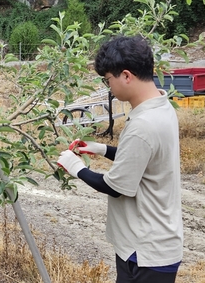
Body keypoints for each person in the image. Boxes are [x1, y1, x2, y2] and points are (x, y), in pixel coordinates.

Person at [57, 35, 183, 283]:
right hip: (151, 242)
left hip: (146, 250)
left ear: (126, 75)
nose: (108, 87)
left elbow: (116, 187)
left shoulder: (143, 125)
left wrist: (76, 168)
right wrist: (102, 149)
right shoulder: (160, 105)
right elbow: (141, 159)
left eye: (108, 80)